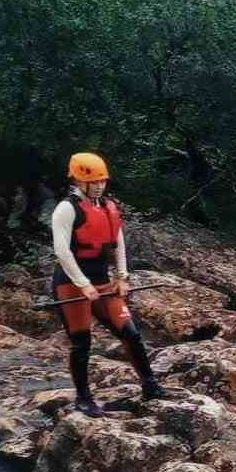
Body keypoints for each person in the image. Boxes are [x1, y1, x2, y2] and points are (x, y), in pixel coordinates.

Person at [51, 152, 169, 417]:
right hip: (71, 284)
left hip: (103, 281)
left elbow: (118, 244)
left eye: (102, 181)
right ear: (78, 180)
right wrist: (83, 285)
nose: (99, 186)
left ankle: (150, 385)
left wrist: (123, 277)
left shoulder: (108, 207)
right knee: (81, 342)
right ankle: (84, 398)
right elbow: (62, 251)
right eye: (93, 182)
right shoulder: (66, 209)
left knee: (131, 333)